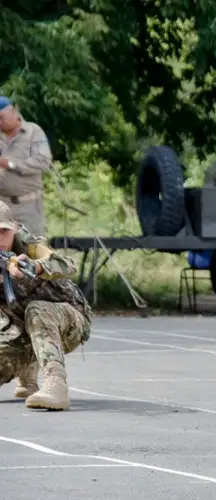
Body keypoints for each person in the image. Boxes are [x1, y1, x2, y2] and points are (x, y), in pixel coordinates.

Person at [0, 201, 91, 411]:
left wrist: (35, 267)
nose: (0, 239)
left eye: (4, 231)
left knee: (37, 309)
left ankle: (55, 385)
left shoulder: (30, 247)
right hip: (21, 330)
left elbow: (67, 264)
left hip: (68, 320)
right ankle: (27, 379)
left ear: (15, 227)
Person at [0, 96, 53, 237]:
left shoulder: (33, 132)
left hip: (27, 206)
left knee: (29, 245)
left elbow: (43, 161)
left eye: (1, 117)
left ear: (13, 112)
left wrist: (11, 164)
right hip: (2, 206)